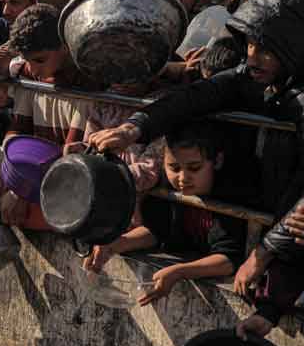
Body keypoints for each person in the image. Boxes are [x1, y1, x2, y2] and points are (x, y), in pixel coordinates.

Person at [89, 0, 304, 336]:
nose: (252, 56)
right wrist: (134, 127)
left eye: (266, 48)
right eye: (249, 43)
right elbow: (195, 97)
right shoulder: (256, 75)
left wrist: (263, 252)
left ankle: (268, 311)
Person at [83, 122, 246, 307]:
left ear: (217, 161)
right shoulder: (166, 188)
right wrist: (114, 244)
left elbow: (228, 259)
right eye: (174, 168)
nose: (183, 178)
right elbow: (157, 230)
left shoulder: (231, 195)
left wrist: (180, 272)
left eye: (194, 168)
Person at [0, 4, 95, 226]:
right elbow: (18, 128)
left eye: (40, 60)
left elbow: (70, 157)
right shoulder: (28, 76)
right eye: (28, 60)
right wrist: (4, 161)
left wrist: (21, 192)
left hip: (67, 186)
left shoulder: (86, 85)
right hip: (38, 176)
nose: (34, 67)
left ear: (65, 47)